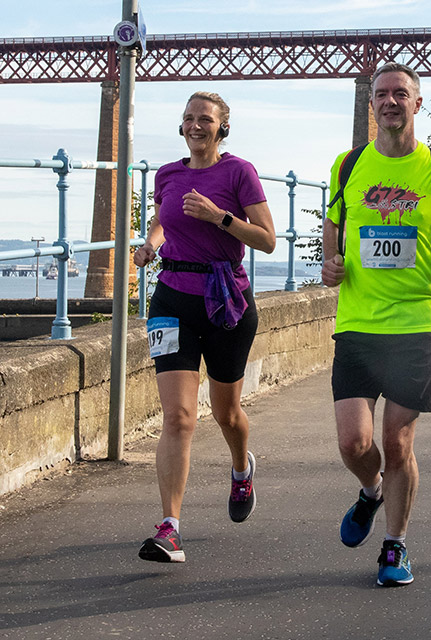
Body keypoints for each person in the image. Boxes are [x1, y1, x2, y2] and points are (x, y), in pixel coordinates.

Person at [322, 63, 431, 587]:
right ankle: (372, 492)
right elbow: (333, 224)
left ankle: (395, 547)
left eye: (400, 94)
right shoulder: (347, 166)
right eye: (381, 94)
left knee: (398, 442)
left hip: (417, 322)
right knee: (353, 443)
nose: (389, 101)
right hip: (358, 322)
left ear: (417, 104)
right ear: (372, 106)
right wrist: (329, 264)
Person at [134, 91, 276, 563]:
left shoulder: (239, 172)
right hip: (172, 298)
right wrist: (152, 243)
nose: (196, 126)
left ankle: (240, 469)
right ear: (182, 126)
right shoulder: (167, 174)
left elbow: (269, 240)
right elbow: (164, 219)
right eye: (189, 118)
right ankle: (170, 528)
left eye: (206, 120)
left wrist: (220, 218)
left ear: (222, 128)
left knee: (225, 413)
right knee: (178, 417)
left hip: (226, 301)